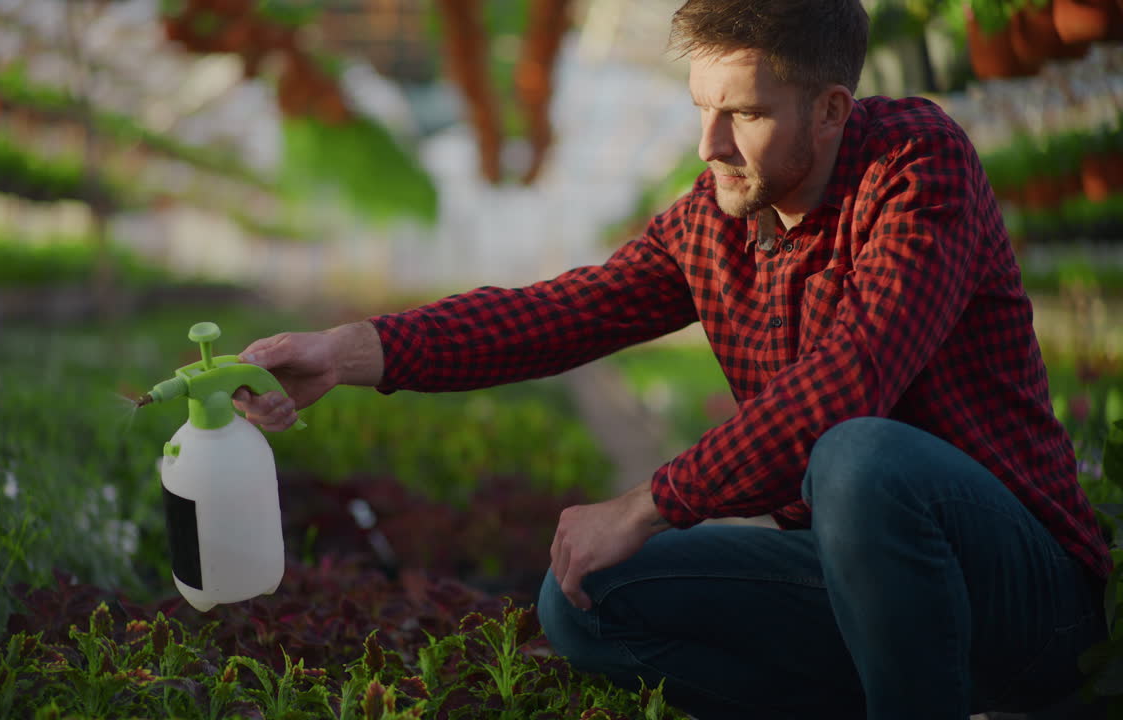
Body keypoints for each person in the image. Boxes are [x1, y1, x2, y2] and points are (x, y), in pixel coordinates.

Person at [232, 0, 1110, 716]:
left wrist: (650, 503)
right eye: (702, 108)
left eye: (746, 114)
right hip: (857, 588)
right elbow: (560, 315)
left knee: (858, 454)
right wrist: (349, 353)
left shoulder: (919, 166)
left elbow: (850, 383)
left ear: (833, 108)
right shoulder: (715, 220)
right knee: (583, 601)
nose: (710, 145)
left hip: (1022, 594)